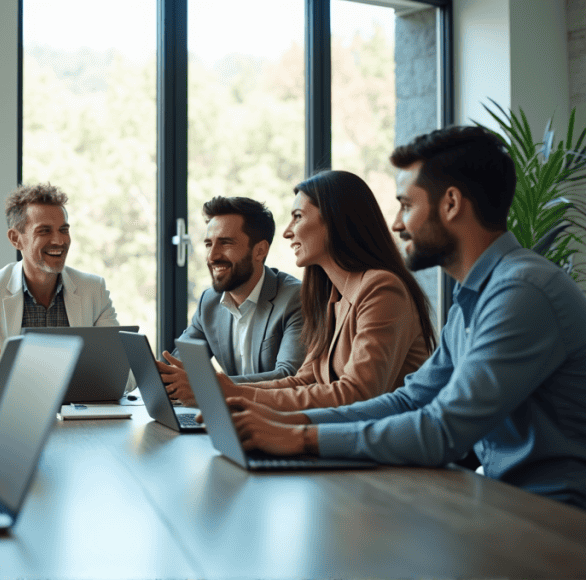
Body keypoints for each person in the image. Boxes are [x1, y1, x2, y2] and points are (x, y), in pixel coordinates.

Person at [228, 127, 586, 510]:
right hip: (505, 503)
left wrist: (301, 438)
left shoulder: (522, 292)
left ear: (450, 204)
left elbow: (443, 429)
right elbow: (411, 400)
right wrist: (292, 423)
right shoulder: (476, 296)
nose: (397, 223)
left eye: (407, 205)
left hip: (555, 519)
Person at [217, 171, 435, 410]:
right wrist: (226, 391)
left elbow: (357, 394)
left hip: (387, 443)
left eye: (298, 217)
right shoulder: (330, 296)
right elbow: (305, 380)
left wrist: (237, 395)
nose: (287, 231)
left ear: (333, 220)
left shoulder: (382, 289)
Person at [0, 182, 119, 379]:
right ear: (15, 239)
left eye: (63, 230)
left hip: (78, 406)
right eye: (44, 231)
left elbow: (125, 371)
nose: (59, 241)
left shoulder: (93, 289)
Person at [158, 196, 306, 405]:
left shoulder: (295, 299)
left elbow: (288, 377)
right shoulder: (209, 302)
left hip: (278, 422)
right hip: (231, 417)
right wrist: (162, 377)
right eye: (209, 244)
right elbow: (179, 368)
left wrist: (206, 386)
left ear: (260, 250)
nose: (212, 256)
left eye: (226, 243)